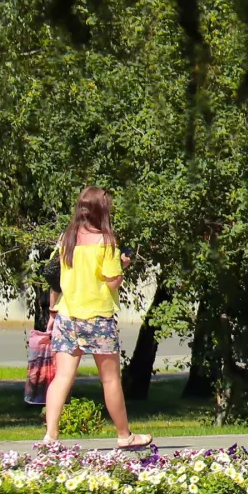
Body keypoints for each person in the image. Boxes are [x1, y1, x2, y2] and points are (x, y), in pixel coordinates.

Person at [42, 187, 153, 449]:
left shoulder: (66, 238)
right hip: (98, 318)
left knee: (62, 377)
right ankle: (124, 436)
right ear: (101, 210)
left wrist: (52, 311)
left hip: (67, 316)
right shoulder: (106, 241)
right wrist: (123, 266)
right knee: (111, 379)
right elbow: (112, 281)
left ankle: (51, 436)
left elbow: (54, 277)